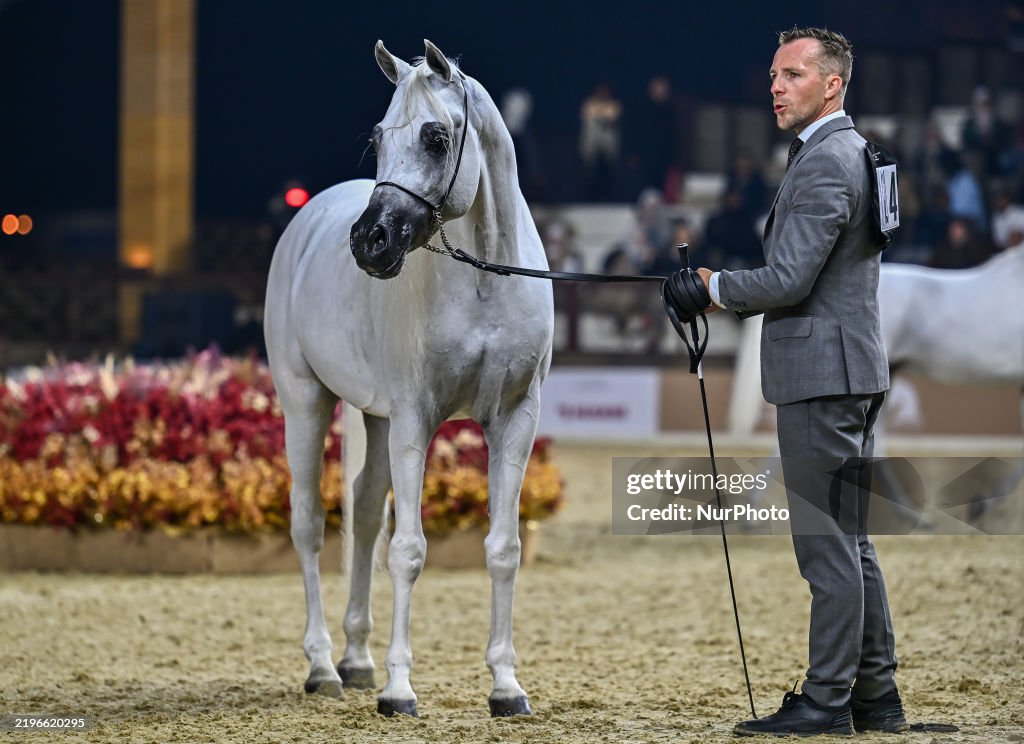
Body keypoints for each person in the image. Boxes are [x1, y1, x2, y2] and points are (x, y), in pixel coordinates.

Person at [688, 27, 906, 737]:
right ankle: (875, 698)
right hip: (850, 368)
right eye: (775, 75)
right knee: (851, 539)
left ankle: (826, 700)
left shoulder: (823, 161)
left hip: (822, 375)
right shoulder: (854, 152)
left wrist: (711, 286)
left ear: (832, 84)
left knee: (827, 545)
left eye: (791, 74)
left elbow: (786, 280)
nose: (775, 86)